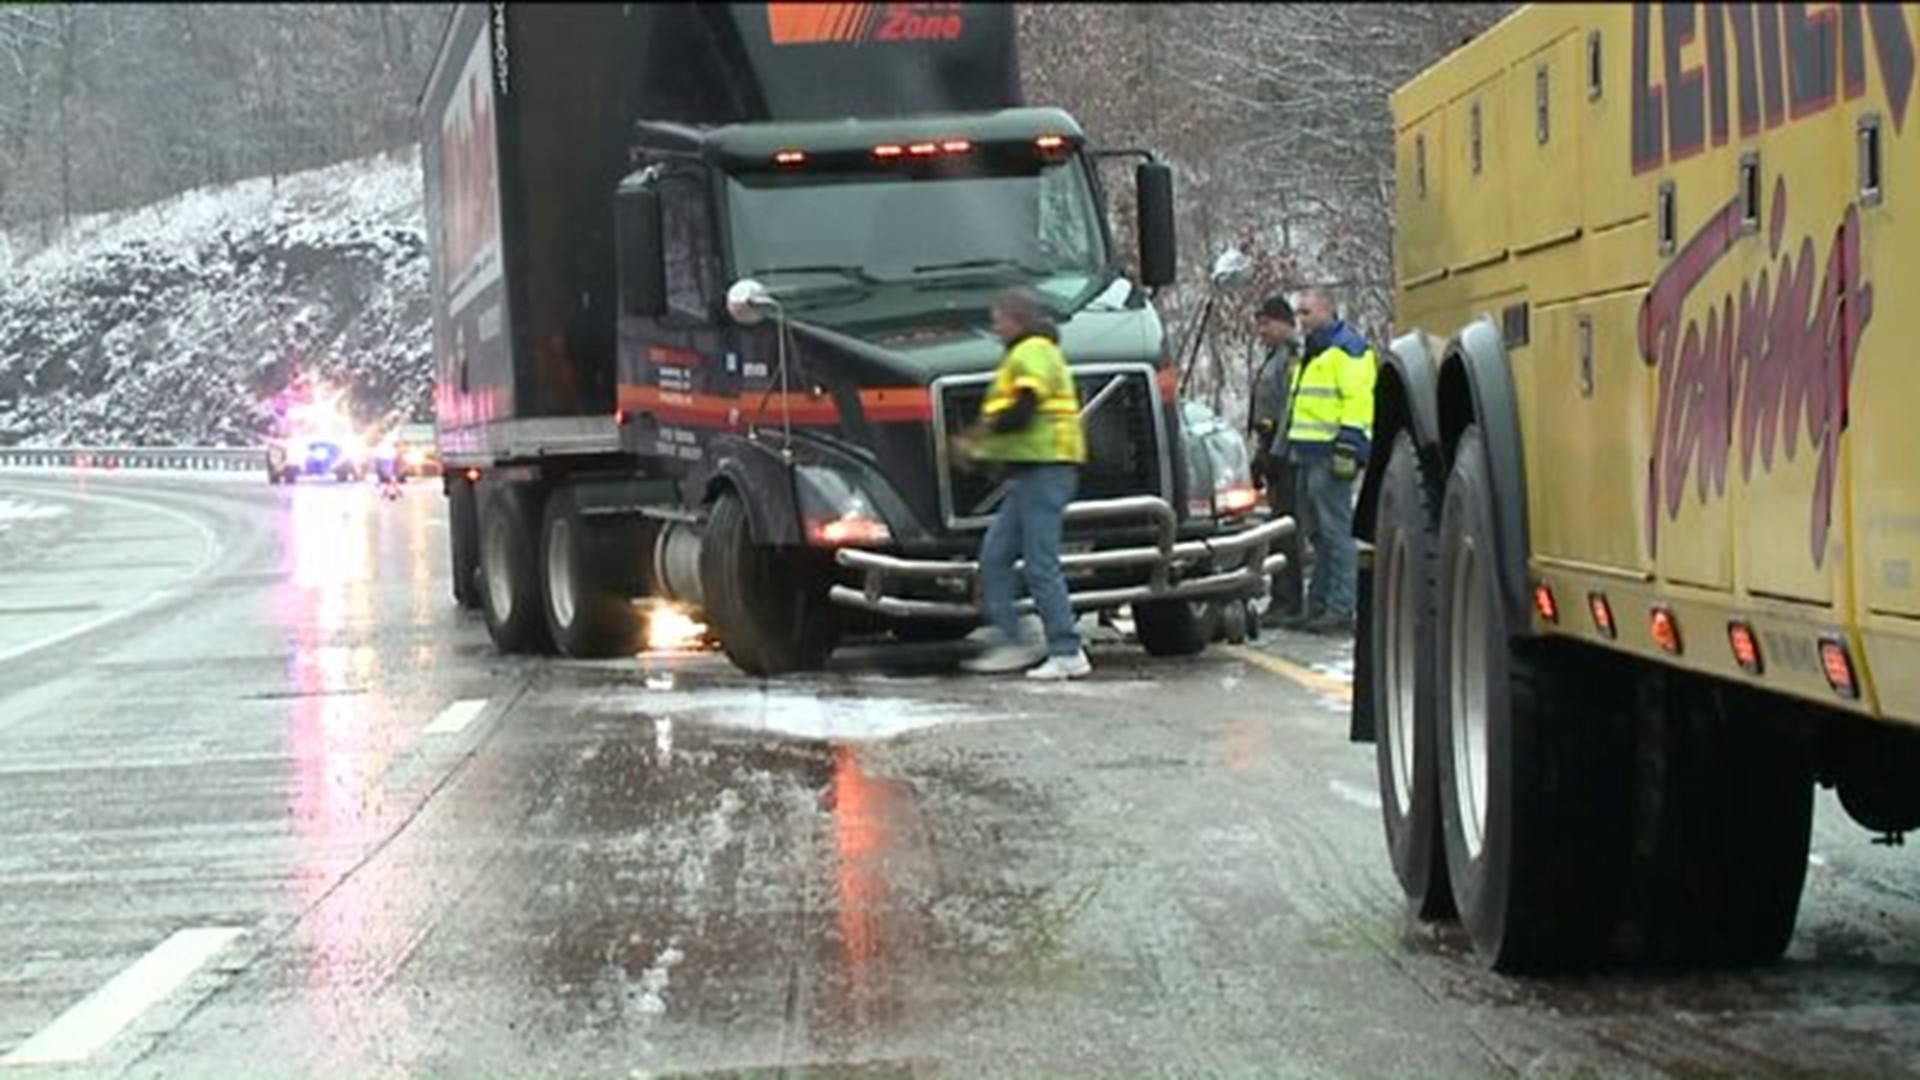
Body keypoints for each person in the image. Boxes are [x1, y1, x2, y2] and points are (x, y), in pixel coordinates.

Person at [953, 287, 1092, 680]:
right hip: (1031, 471)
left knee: (1039, 564)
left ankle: (1066, 650)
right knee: (995, 555)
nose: (996, 326)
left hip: (1045, 469)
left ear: (1016, 319)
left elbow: (1022, 411)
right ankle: (1013, 639)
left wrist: (976, 437)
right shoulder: (1027, 353)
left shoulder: (1031, 351)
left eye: (999, 318)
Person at [1282, 287, 1377, 636]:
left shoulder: (1348, 350)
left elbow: (1358, 400)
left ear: (1326, 311)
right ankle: (1319, 605)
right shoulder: (1314, 351)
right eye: (1299, 314)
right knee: (1318, 535)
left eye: (1306, 313)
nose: (1301, 320)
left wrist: (1349, 446)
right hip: (1308, 453)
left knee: (1336, 534)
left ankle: (1340, 607)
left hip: (1331, 453)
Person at [1247, 294, 1306, 628]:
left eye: (1266, 323)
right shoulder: (1275, 356)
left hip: (1287, 454)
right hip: (1272, 449)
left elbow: (1289, 406)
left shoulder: (1292, 357)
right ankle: (1282, 598)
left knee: (1287, 529)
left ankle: (1289, 601)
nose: (1262, 330)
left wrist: (1274, 451)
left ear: (1285, 323)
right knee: (1278, 527)